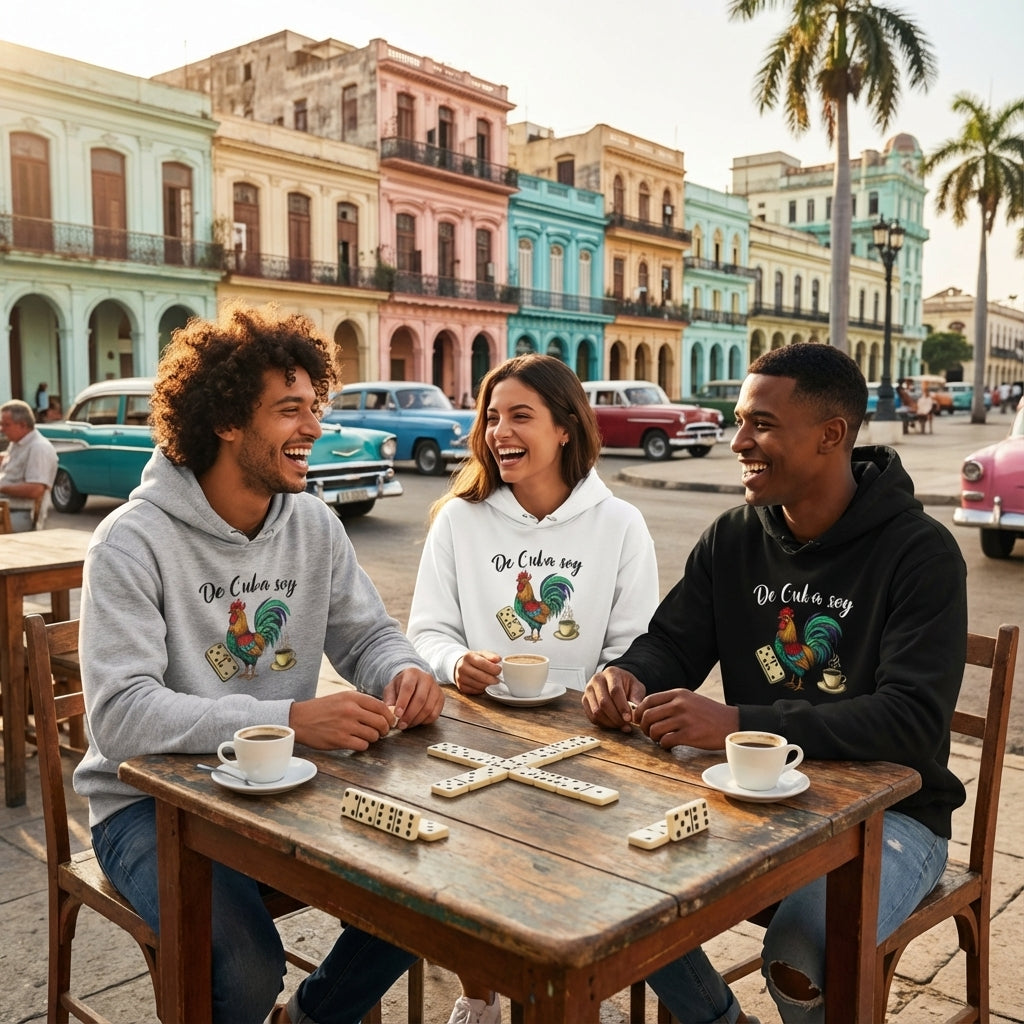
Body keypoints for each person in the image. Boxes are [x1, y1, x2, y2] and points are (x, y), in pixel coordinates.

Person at [74, 301, 445, 1024]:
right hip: (146, 807)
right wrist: (291, 719)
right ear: (225, 421)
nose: (314, 428)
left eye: (315, 407)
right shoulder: (130, 541)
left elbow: (367, 635)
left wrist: (402, 670)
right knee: (244, 967)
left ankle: (311, 1016)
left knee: (435, 890)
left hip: (279, 786)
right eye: (290, 410)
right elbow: (119, 716)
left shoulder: (312, 523)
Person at [583, 343, 967, 1024]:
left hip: (894, 818)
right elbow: (672, 643)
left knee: (802, 942)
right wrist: (626, 678)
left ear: (831, 435)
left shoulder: (920, 552)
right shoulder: (733, 537)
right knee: (613, 878)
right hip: (755, 800)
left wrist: (735, 724)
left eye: (761, 424)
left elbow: (910, 723)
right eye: (740, 421)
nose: (738, 442)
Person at [408, 353, 659, 1024]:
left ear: (566, 428)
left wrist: (609, 690)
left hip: (588, 735)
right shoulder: (459, 519)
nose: (500, 432)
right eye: (492, 417)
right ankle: (478, 994)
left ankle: (573, 987)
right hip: (481, 727)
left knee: (587, 865)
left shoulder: (620, 524)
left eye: (520, 416)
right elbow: (426, 631)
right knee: (464, 852)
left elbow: (636, 648)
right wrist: (456, 662)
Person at [0, 399, 58, 531]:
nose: (1, 429)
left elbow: (35, 490)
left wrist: (2, 487)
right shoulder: (17, 443)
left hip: (20, 513)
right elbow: (11, 464)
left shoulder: (39, 447)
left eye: (6, 425)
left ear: (22, 425)